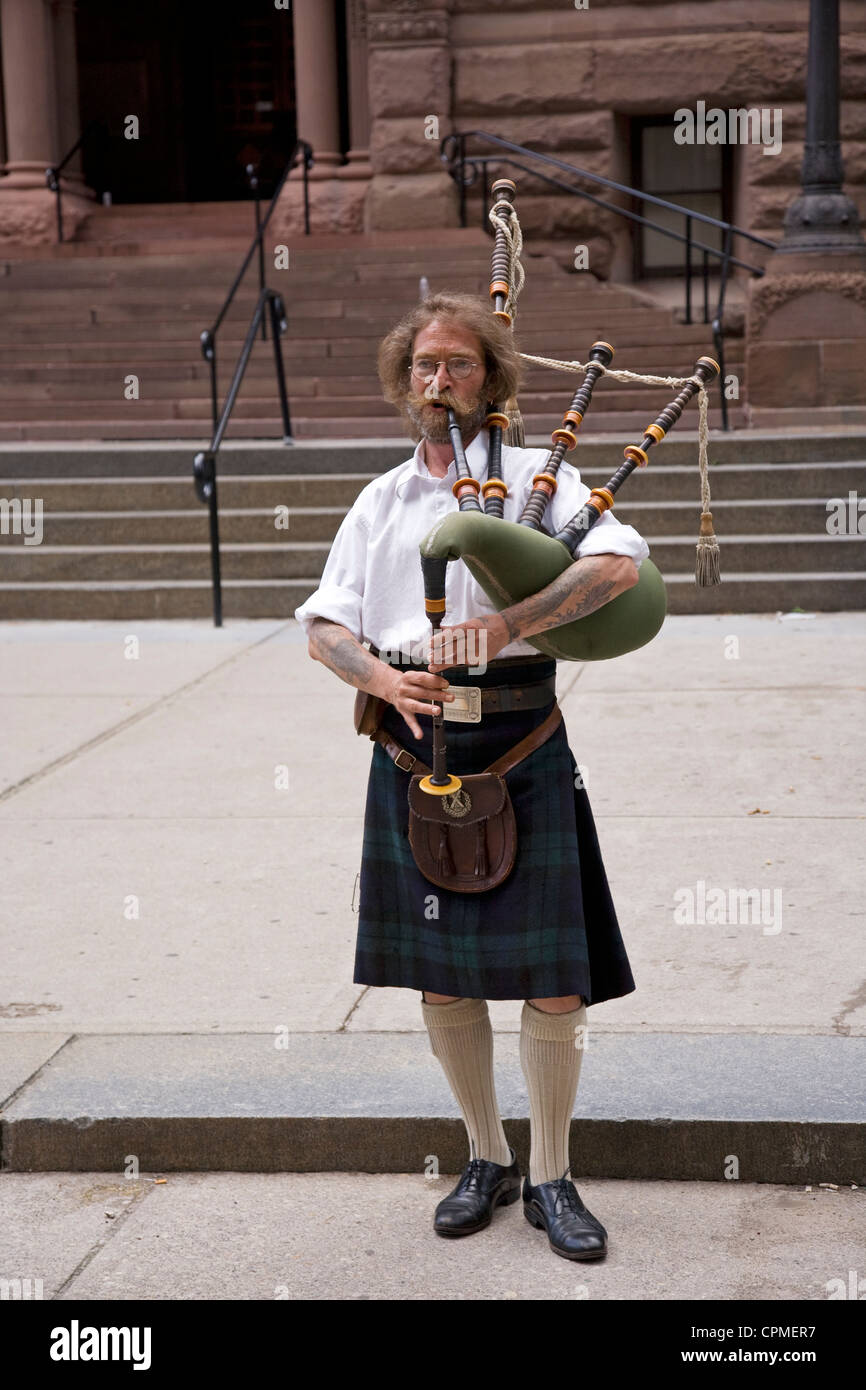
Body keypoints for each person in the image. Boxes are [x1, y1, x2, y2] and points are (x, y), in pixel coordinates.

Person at [293, 291, 649, 1262]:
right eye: (422, 366)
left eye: (456, 363)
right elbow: (321, 624)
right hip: (415, 746)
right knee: (443, 982)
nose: (438, 381)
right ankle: (484, 1155)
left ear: (488, 376)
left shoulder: (543, 477)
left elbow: (619, 570)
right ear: (403, 384)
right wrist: (373, 672)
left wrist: (504, 622)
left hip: (523, 735)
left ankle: (551, 1174)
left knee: (553, 982)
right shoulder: (380, 502)